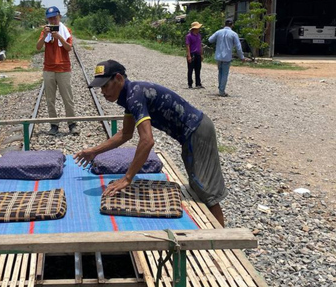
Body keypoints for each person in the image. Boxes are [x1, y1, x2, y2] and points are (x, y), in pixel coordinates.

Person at [74, 60, 227, 225]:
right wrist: (94, 151)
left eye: (105, 86)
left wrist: (127, 178)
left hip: (197, 131)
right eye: (100, 88)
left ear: (118, 78)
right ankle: (213, 231)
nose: (103, 92)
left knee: (206, 191)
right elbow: (125, 134)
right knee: (198, 185)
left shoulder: (134, 96)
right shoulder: (130, 95)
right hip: (191, 134)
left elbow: (147, 141)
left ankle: (222, 239)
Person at [36, 5, 77, 135]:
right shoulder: (44, 32)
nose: (52, 21)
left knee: (67, 98)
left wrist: (59, 36)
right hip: (49, 69)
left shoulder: (66, 31)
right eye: (50, 19)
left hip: (64, 69)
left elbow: (68, 48)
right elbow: (38, 47)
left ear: (59, 17)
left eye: (54, 18)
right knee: (50, 99)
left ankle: (72, 124)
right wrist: (45, 36)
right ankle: (54, 124)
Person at [208, 18, 244, 97]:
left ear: (224, 24)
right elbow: (238, 47)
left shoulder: (218, 32)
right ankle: (221, 91)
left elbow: (210, 40)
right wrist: (242, 57)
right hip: (227, 57)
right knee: (224, 74)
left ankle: (220, 88)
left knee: (220, 72)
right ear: (232, 25)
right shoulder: (234, 34)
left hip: (218, 56)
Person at [185, 21, 204, 89]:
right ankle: (190, 83)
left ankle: (198, 83)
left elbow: (200, 45)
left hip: (198, 53)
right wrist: (189, 55)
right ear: (194, 29)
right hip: (192, 53)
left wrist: (201, 54)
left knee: (198, 69)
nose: (199, 29)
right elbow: (188, 46)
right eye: (198, 28)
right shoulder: (189, 36)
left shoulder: (199, 35)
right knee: (190, 69)